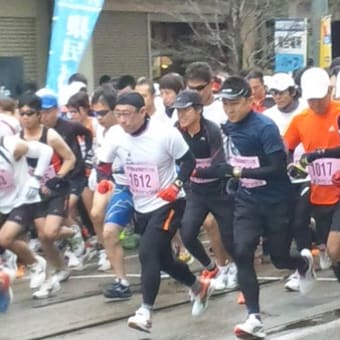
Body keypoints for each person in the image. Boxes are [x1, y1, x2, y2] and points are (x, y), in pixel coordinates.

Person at [200, 76, 315, 339]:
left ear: (250, 101)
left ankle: (302, 264)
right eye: (225, 103)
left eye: (235, 103)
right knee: (241, 252)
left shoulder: (264, 127)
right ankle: (254, 317)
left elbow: (276, 169)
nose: (230, 109)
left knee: (278, 257)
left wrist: (237, 171)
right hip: (247, 199)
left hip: (276, 200)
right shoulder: (226, 128)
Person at [99, 92, 214, 333]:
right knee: (162, 260)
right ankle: (197, 286)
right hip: (140, 203)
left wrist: (177, 185)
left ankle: (145, 311)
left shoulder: (165, 133)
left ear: (143, 112)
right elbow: (103, 164)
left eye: (127, 114)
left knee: (147, 251)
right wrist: (105, 180)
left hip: (169, 203)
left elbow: (189, 161)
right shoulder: (115, 135)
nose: (122, 120)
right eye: (118, 114)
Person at [172, 90, 237, 289]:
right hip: (196, 193)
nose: (181, 115)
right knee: (188, 234)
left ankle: (236, 268)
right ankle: (213, 268)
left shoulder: (211, 131)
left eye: (185, 111)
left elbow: (219, 168)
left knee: (229, 237)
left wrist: (191, 171)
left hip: (218, 192)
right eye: (178, 111)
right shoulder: (176, 130)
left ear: (198, 110)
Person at [18, 93, 78, 298]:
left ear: (39, 115)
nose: (25, 117)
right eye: (22, 113)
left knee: (50, 232)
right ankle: (59, 269)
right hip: (34, 193)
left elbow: (70, 158)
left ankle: (73, 232)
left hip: (56, 189)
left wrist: (58, 177)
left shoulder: (49, 135)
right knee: (43, 237)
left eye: (30, 113)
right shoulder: (17, 139)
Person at [284, 67, 340, 283]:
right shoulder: (301, 119)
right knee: (333, 254)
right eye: (310, 100)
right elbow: (284, 147)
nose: (315, 104)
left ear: (329, 91)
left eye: (319, 98)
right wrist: (290, 164)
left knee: (334, 249)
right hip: (319, 194)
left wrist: (318, 154)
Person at [264, 73, 312, 292]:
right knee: (287, 224)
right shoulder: (268, 116)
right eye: (273, 93)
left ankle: (303, 268)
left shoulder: (305, 110)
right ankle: (302, 264)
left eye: (281, 92)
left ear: (292, 91)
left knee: (299, 221)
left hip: (309, 175)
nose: (277, 97)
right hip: (281, 179)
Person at [91, 85, 135, 299]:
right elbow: (103, 164)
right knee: (104, 224)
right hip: (122, 186)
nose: (99, 118)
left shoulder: (150, 129)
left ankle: (177, 251)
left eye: (103, 112)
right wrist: (104, 178)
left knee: (160, 236)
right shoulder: (107, 132)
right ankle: (121, 281)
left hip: (150, 189)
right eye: (95, 113)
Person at [0, 120, 53, 295]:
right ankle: (48, 281)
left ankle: (36, 263)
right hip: (3, 204)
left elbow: (46, 150)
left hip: (23, 199)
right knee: (17, 243)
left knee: (5, 239)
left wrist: (36, 178)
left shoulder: (9, 144)